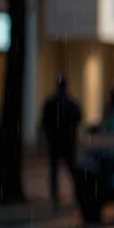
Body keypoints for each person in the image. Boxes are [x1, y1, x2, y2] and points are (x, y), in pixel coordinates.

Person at [40, 76, 83, 208]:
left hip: (57, 141)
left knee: (56, 170)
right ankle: (76, 194)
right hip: (67, 142)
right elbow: (78, 118)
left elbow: (45, 122)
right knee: (70, 170)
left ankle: (55, 196)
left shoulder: (52, 103)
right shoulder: (70, 103)